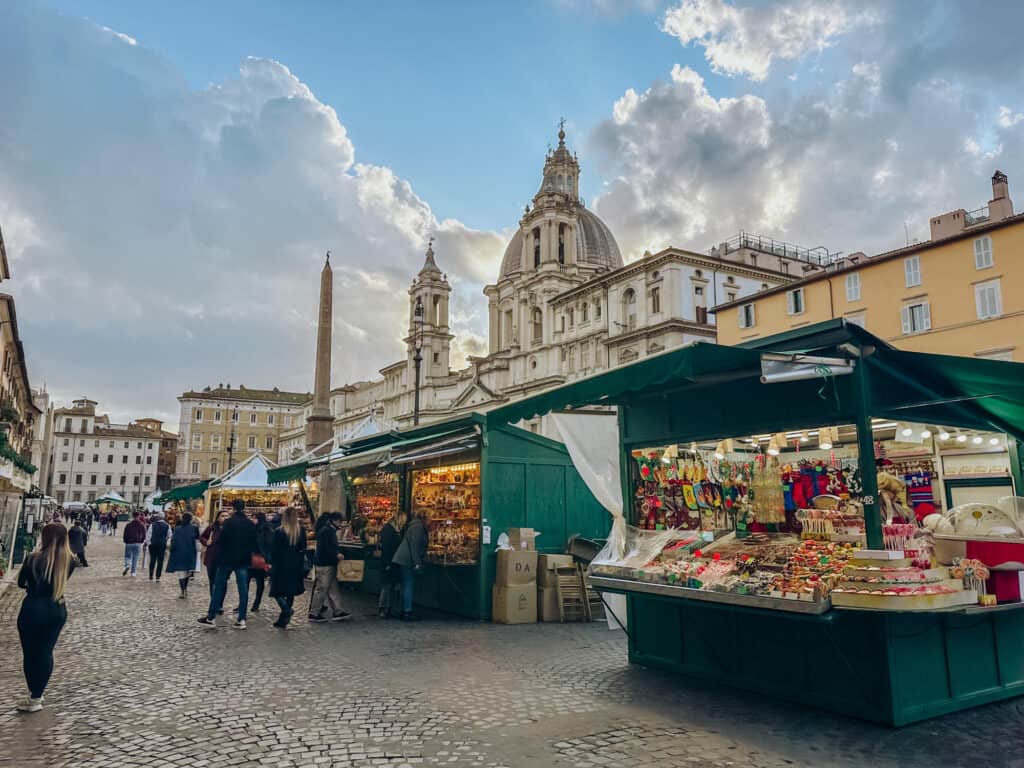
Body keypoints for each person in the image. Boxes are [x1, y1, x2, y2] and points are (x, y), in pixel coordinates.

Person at [16, 523, 76, 713]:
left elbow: (20, 583)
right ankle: (37, 696)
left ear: (45, 537)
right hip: (56, 609)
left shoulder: (33, 559)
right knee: (45, 652)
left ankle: (34, 695)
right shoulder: (70, 560)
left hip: (33, 608)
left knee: (30, 653)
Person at [198, 500, 257, 630]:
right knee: (243, 589)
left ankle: (211, 617)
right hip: (243, 560)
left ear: (233, 508)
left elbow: (221, 541)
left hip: (226, 560)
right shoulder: (250, 524)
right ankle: (241, 619)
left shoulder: (228, 523)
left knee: (218, 587)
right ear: (244, 508)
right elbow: (254, 542)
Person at [268, 507, 307, 628]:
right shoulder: (301, 531)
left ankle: (286, 610)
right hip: (296, 564)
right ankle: (283, 619)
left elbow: (274, 550)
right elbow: (303, 547)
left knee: (276, 591)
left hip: (281, 564)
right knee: (290, 592)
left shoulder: (279, 531)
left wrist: (271, 562)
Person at [307, 513, 350, 623]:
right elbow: (327, 548)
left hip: (325, 563)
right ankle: (314, 613)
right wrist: (336, 554)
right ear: (334, 521)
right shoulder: (327, 531)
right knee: (322, 588)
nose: (341, 524)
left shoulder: (325, 530)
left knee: (332, 588)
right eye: (340, 522)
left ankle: (338, 610)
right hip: (325, 564)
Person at [391, 508, 428, 621]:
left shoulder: (414, 526)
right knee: (408, 584)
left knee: (405, 584)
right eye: (430, 517)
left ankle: (402, 609)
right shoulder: (418, 527)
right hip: (407, 560)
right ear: (424, 518)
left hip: (403, 558)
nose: (431, 520)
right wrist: (417, 563)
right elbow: (414, 546)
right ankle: (407, 611)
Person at [378, 512, 406, 618]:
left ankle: (388, 608)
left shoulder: (392, 529)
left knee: (390, 586)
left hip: (392, 561)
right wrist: (388, 563)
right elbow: (387, 548)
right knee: (387, 586)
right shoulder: (390, 530)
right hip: (390, 562)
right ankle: (384, 608)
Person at [167, 512, 200, 598]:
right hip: (190, 552)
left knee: (181, 573)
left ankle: (183, 590)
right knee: (187, 571)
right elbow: (197, 540)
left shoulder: (177, 529)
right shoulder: (194, 528)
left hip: (179, 552)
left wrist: (171, 550)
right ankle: (184, 589)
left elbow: (173, 541)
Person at [247, 511, 273, 613]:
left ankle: (256, 604)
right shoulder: (252, 529)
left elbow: (268, 546)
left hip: (259, 560)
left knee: (259, 584)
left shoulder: (265, 530)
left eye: (254, 518)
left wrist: (267, 559)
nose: (253, 520)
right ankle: (246, 603)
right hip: (252, 559)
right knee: (248, 583)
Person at [199, 511, 228, 597]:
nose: (225, 518)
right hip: (212, 558)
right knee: (212, 580)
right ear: (218, 518)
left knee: (223, 581)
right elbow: (202, 537)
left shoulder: (231, 528)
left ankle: (219, 603)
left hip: (224, 559)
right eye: (223, 516)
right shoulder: (212, 527)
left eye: (227, 516)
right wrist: (206, 542)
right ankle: (213, 599)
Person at [146, 511, 171, 582]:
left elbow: (148, 535)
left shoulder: (152, 525)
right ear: (163, 517)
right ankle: (158, 576)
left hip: (153, 544)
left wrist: (149, 544)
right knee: (160, 561)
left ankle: (151, 575)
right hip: (162, 545)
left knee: (152, 560)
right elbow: (169, 536)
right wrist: (165, 542)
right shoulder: (167, 525)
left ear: (158, 517)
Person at [122, 512, 146, 577]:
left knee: (127, 556)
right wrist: (141, 541)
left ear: (132, 516)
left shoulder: (128, 525)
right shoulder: (142, 525)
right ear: (139, 516)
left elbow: (125, 534)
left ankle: (127, 565)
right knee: (135, 558)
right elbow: (144, 534)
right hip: (137, 543)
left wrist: (125, 541)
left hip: (129, 543)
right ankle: (133, 572)